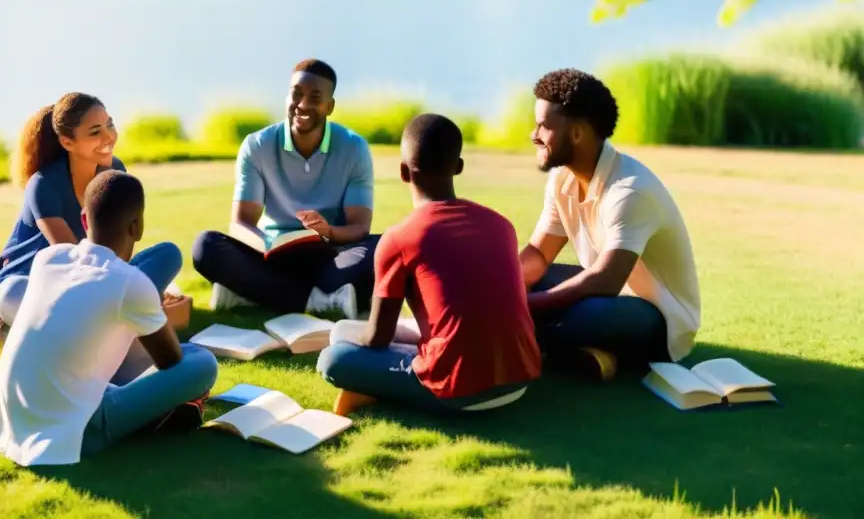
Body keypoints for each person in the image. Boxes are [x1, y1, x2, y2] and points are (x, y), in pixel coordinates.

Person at [0, 170, 219, 467]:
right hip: (71, 432)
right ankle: (146, 413)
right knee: (202, 362)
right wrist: (142, 315)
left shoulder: (49, 259)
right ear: (137, 227)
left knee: (165, 258)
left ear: (83, 220)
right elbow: (169, 360)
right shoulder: (133, 284)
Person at [317, 113, 542, 416]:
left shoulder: (399, 239)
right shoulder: (502, 225)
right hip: (520, 381)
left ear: (403, 172)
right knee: (345, 329)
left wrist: (356, 344)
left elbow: (377, 337)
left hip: (461, 393)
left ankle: (374, 389)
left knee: (334, 356)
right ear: (458, 167)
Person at [522, 68, 701, 381]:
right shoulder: (561, 177)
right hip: (605, 294)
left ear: (577, 133)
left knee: (587, 317)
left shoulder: (630, 190)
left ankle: (542, 341)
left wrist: (527, 306)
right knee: (523, 278)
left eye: (543, 126)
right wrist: (503, 288)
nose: (533, 135)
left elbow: (606, 280)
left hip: (653, 315)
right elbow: (538, 253)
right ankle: (588, 353)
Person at [192, 59, 379, 319]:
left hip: (330, 256)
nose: (302, 105)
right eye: (296, 94)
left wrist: (329, 231)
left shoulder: (353, 147)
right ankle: (318, 300)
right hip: (271, 256)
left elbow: (359, 227)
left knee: (383, 247)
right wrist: (265, 246)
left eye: (315, 98)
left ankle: (252, 293)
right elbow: (242, 223)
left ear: (329, 106)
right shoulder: (257, 145)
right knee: (207, 246)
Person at [0, 92, 181, 334]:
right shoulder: (44, 184)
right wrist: (130, 290)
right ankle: (106, 321)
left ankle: (90, 323)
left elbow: (120, 245)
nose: (109, 136)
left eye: (110, 125)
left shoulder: (115, 173)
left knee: (168, 255)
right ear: (68, 142)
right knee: (11, 295)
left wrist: (126, 283)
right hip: (35, 282)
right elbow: (71, 259)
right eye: (94, 132)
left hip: (91, 283)